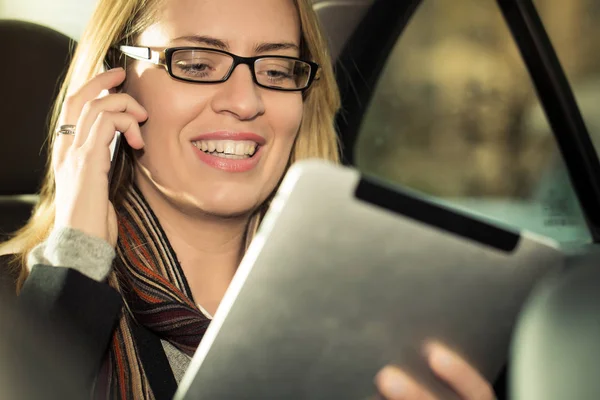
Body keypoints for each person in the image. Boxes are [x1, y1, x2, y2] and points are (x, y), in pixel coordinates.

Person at [0, 0, 498, 398]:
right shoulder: (15, 311)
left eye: (278, 70)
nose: (246, 101)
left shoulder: (381, 323)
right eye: (195, 63)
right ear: (109, 85)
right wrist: (76, 263)